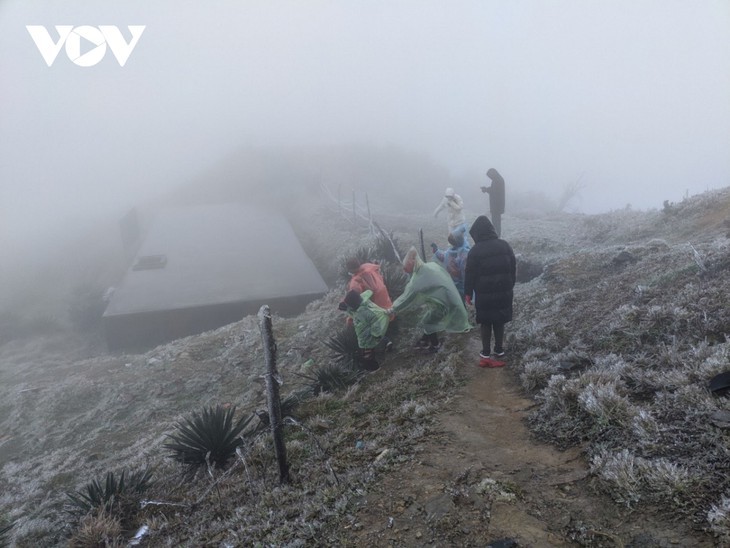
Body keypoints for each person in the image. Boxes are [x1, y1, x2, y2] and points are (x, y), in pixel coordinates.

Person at [390, 247, 471, 353]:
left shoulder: (420, 278)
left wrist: (393, 308)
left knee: (428, 322)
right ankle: (425, 339)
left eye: (407, 267)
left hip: (444, 303)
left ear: (413, 263)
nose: (405, 270)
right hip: (447, 299)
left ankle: (435, 345)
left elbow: (408, 296)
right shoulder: (428, 266)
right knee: (428, 318)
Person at [464, 215, 516, 368]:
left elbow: (470, 273)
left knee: (486, 322)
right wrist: (509, 285)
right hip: (503, 291)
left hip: (484, 294)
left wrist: (468, 293)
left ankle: (485, 354)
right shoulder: (505, 246)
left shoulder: (475, 251)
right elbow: (512, 268)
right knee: (499, 320)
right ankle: (499, 350)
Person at [338, 289, 392, 371]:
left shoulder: (364, 312)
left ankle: (380, 370)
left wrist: (376, 335)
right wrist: (344, 306)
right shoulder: (357, 309)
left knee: (371, 357)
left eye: (348, 305)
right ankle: (386, 342)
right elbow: (351, 310)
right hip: (365, 339)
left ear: (353, 304)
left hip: (369, 339)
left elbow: (375, 322)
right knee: (369, 354)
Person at [430, 231, 468, 301]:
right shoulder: (464, 254)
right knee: (461, 301)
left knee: (455, 301)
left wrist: (436, 251)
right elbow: (465, 272)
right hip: (461, 284)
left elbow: (443, 257)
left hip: (450, 283)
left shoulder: (449, 252)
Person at [480, 168, 505, 237]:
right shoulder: (497, 179)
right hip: (496, 205)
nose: (490, 178)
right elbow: (493, 189)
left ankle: (497, 236)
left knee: (496, 222)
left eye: (490, 176)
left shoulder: (498, 180)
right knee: (496, 222)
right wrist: (486, 189)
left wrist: (486, 190)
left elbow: (495, 191)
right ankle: (496, 235)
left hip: (497, 206)